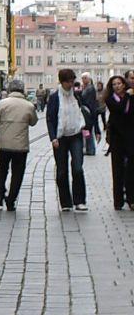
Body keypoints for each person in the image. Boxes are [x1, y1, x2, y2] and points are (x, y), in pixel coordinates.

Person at [0, 79, 38, 211]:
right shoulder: (28, 105)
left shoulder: (3, 104)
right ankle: (11, 200)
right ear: (22, 90)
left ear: (10, 90)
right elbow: (33, 122)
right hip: (21, 146)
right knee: (18, 173)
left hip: (4, 144)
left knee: (2, 169)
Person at [46, 69, 88, 212]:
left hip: (75, 135)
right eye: (68, 82)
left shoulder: (76, 95)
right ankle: (65, 202)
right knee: (62, 171)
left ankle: (80, 201)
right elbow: (50, 119)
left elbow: (83, 113)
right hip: (60, 138)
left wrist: (87, 131)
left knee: (77, 168)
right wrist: (53, 138)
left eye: (72, 81)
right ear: (62, 82)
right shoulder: (54, 97)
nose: (71, 84)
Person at [103, 76, 134, 210]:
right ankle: (118, 201)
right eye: (114, 84)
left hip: (130, 137)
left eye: (119, 83)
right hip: (117, 138)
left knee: (131, 169)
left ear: (124, 84)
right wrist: (127, 95)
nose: (117, 86)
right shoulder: (110, 99)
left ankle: (131, 199)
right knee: (117, 169)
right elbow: (121, 109)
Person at [79, 72, 98, 156]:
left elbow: (87, 101)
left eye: (84, 78)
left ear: (88, 79)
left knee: (88, 130)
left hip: (88, 112)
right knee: (87, 131)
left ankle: (90, 149)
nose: (82, 80)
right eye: (82, 78)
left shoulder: (90, 88)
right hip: (86, 112)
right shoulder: (87, 88)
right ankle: (89, 148)